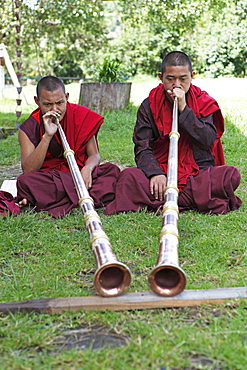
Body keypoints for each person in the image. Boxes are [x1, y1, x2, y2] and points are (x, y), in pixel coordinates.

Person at [105, 51, 242, 215]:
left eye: (183, 79)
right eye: (170, 79)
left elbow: (208, 140)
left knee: (230, 174)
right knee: (128, 176)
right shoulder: (149, 105)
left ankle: (165, 198)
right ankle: (191, 199)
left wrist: (184, 108)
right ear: (160, 77)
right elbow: (142, 146)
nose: (177, 85)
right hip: (161, 173)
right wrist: (156, 174)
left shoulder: (203, 101)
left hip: (196, 173)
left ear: (192, 76)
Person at [15, 76, 120, 218]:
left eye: (59, 103)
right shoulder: (29, 127)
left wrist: (87, 169)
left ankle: (45, 199)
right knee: (25, 182)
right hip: (51, 177)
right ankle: (81, 194)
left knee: (111, 170)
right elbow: (28, 170)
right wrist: (47, 136)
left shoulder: (81, 115)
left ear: (67, 97)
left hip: (79, 173)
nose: (55, 109)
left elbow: (94, 155)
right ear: (37, 101)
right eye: (47, 104)